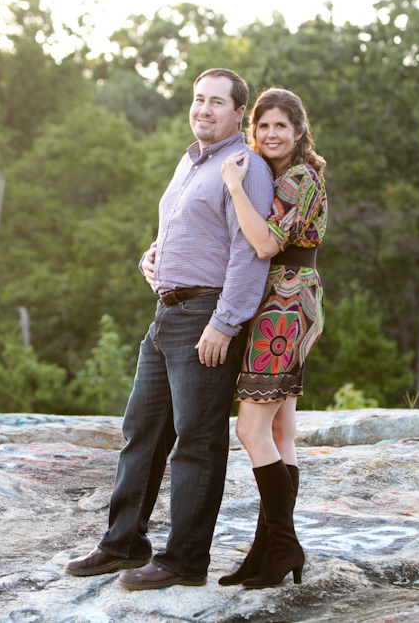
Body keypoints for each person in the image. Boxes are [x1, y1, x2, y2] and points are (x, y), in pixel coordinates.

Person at [63, 69, 274, 589]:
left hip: (206, 317)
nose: (203, 109)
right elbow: (182, 225)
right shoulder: (190, 160)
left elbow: (250, 256)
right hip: (166, 315)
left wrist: (225, 324)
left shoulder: (243, 167)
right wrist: (153, 257)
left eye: (216, 102)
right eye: (198, 99)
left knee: (197, 442)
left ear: (237, 113)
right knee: (142, 431)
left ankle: (184, 561)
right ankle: (123, 544)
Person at [216, 88, 328, 589]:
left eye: (281, 126)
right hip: (283, 302)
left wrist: (234, 186)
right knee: (281, 433)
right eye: (262, 126)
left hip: (285, 307)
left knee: (250, 431)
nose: (270, 134)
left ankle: (282, 543)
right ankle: (268, 550)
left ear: (300, 131)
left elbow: (263, 244)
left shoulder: (301, 179)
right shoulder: (281, 177)